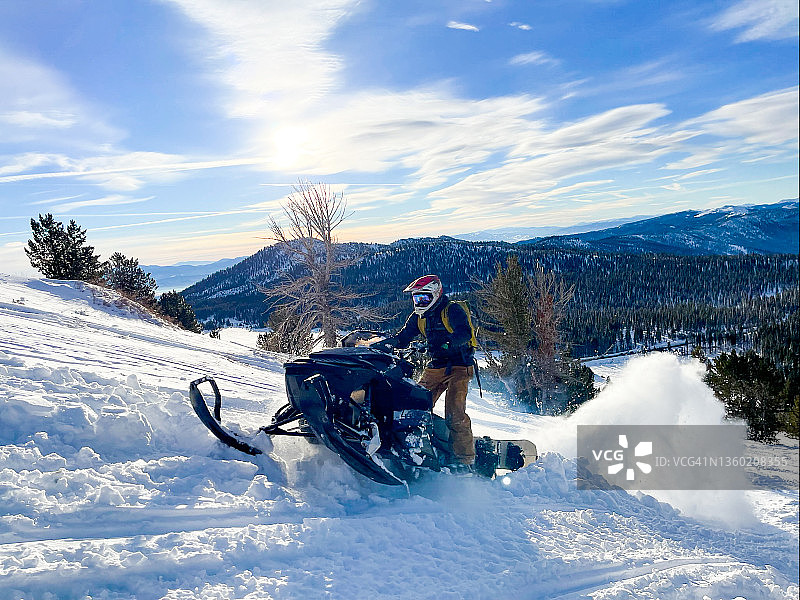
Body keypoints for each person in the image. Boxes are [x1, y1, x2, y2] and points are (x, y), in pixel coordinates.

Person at [375, 275, 476, 469]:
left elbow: (465, 333)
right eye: (416, 298)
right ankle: (421, 448)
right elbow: (404, 337)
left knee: (455, 413)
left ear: (436, 294)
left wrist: (448, 342)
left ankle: (464, 461)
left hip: (459, 366)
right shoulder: (418, 317)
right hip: (436, 366)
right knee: (414, 403)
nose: (419, 302)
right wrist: (385, 345)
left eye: (423, 298)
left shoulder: (452, 310)